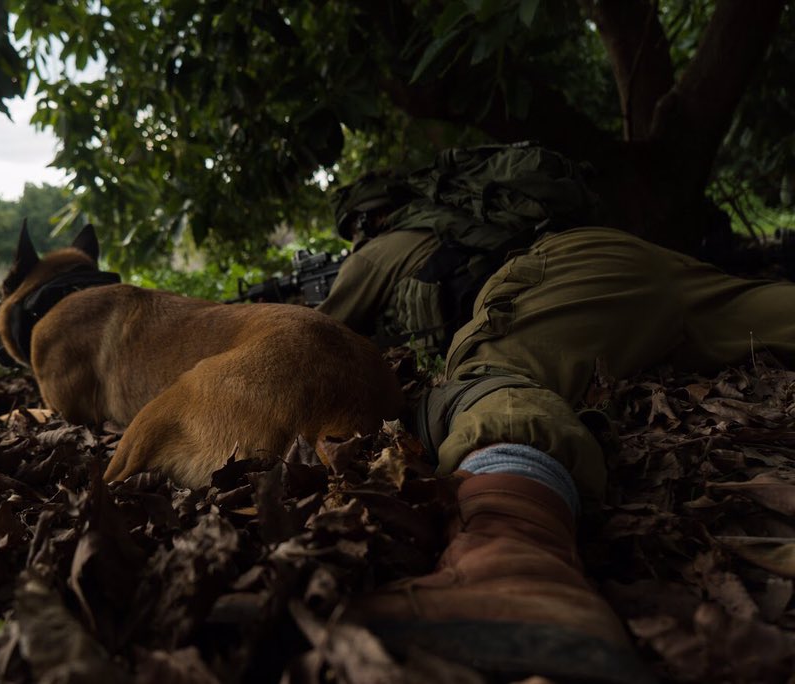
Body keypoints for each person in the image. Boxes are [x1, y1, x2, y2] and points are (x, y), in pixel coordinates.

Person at [319, 153, 795, 682]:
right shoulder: (459, 224)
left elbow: (318, 334)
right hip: (628, 256)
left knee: (486, 378)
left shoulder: (378, 252)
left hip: (562, 280)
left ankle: (514, 565)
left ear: (368, 221)